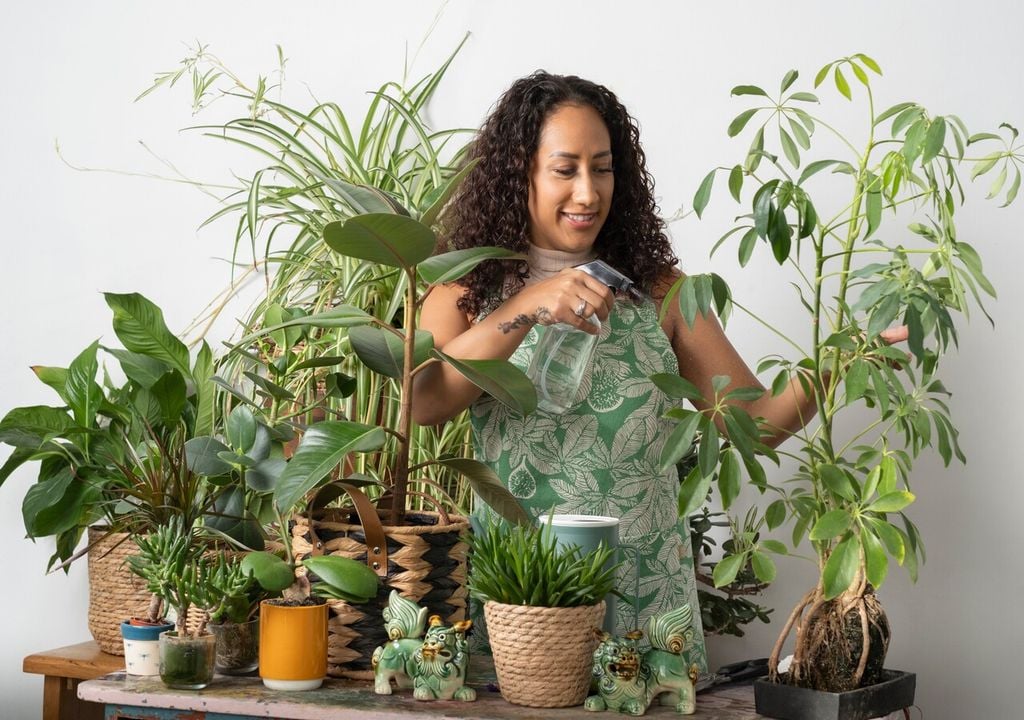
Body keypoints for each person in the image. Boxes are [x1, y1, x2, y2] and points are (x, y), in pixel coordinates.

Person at [412, 71, 821, 677]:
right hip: (523, 599)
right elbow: (424, 402)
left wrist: (839, 366)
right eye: (564, 168)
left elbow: (753, 428)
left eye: (601, 169)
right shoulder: (465, 289)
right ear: (518, 171)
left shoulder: (660, 293)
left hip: (646, 596)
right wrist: (527, 306)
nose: (587, 192)